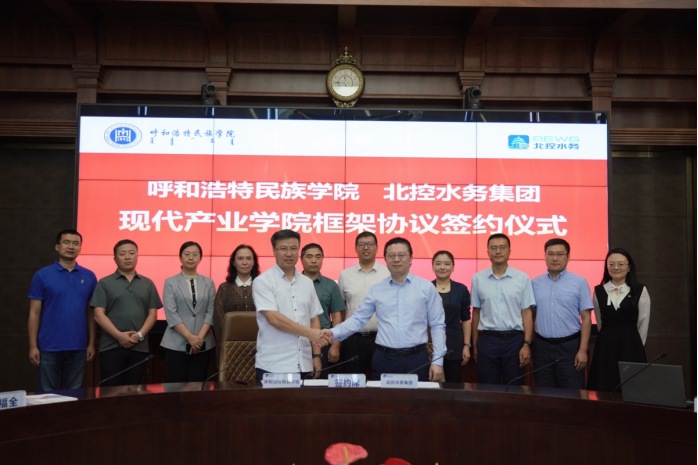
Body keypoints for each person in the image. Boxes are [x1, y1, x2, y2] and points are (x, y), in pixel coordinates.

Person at [324, 237, 446, 382]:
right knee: (382, 397)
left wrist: (438, 361)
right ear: (385, 259)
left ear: (411, 258)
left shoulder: (426, 288)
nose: (396, 259)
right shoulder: (377, 289)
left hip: (417, 358)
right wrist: (333, 333)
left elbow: (437, 325)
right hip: (384, 358)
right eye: (391, 255)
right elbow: (358, 319)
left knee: (416, 397)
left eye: (401, 255)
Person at [252, 229, 328, 381]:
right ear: (274, 250)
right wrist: (309, 333)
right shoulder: (262, 281)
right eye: (283, 248)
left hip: (304, 363)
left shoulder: (307, 283)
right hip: (274, 364)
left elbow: (314, 319)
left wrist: (316, 355)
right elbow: (274, 319)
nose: (289, 253)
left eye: (293, 248)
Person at [27, 230, 98, 392]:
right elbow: (34, 314)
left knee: (73, 395)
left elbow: (91, 313)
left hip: (78, 346)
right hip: (48, 346)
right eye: (66, 242)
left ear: (80, 248)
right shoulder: (42, 275)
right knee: (46, 396)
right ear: (57, 247)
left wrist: (91, 343)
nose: (71, 246)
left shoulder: (89, 276)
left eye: (75, 243)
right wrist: (33, 346)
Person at [92, 240, 162, 386]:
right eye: (122, 254)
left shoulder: (147, 283)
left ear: (137, 256)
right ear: (115, 259)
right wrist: (119, 336)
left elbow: (153, 314)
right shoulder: (104, 283)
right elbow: (98, 314)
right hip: (111, 346)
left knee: (133, 390)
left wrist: (140, 335)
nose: (128, 257)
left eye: (131, 253)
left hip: (139, 347)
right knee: (110, 391)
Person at [471, 233, 535, 386]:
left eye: (502, 247)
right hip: (487, 341)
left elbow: (527, 313)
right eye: (493, 248)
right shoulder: (478, 278)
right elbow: (476, 312)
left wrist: (527, 343)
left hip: (514, 342)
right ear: (488, 252)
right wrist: (475, 345)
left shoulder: (522, 278)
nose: (498, 251)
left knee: (514, 388)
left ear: (509, 251)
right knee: (487, 388)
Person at [531, 238, 593, 389]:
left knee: (572, 393)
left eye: (560, 254)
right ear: (545, 256)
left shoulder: (579, 282)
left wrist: (583, 350)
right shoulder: (535, 283)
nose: (555, 258)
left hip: (570, 347)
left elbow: (586, 318)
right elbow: (531, 316)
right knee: (543, 392)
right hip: (541, 347)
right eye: (550, 254)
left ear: (568, 257)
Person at [587, 248, 650, 392]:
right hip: (606, 345)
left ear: (629, 267)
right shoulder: (598, 291)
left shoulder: (640, 290)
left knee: (632, 387)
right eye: (611, 264)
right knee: (605, 384)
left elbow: (643, 322)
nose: (616, 268)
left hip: (631, 344)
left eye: (621, 264)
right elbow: (600, 321)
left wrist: (636, 346)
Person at [160, 241, 216, 383]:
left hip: (202, 344)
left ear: (200, 258)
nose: (191, 257)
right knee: (175, 386)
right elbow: (171, 313)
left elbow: (210, 312)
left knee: (198, 386)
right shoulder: (170, 282)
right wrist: (189, 337)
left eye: (195, 254)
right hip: (176, 343)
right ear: (180, 257)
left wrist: (198, 339)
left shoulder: (208, 282)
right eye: (187, 254)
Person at [337, 231, 390, 376]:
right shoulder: (345, 275)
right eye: (361, 244)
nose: (366, 247)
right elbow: (341, 309)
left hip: (381, 339)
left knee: (380, 381)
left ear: (377, 248)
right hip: (352, 340)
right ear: (356, 249)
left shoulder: (388, 273)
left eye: (370, 244)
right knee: (351, 382)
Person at [301, 243, 345, 378]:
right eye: (309, 257)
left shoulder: (331, 285)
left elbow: (337, 317)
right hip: (298, 340)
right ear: (301, 259)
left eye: (318, 257)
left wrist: (335, 345)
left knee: (321, 384)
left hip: (323, 341)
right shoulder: (293, 284)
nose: (314, 260)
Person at [431, 250, 472, 383]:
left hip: (454, 346)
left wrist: (466, 345)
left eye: (447, 264)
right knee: (432, 388)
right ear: (432, 266)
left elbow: (466, 319)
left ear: (453, 266)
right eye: (438, 263)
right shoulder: (426, 288)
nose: (442, 267)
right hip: (430, 346)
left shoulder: (461, 289)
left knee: (454, 386)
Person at [213, 244, 259, 345]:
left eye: (248, 258)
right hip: (231, 345)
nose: (244, 262)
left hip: (259, 344)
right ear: (233, 262)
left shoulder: (263, 287)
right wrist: (225, 343)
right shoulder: (224, 288)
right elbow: (218, 319)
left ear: (253, 262)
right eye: (240, 258)